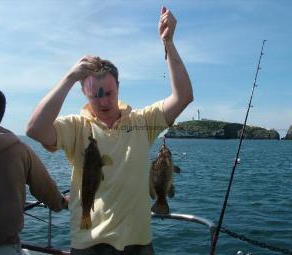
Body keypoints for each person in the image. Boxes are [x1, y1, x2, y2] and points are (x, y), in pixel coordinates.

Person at [26, 6, 193, 255]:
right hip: (89, 243)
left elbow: (183, 97)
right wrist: (70, 77)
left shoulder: (142, 121)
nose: (104, 102)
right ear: (84, 93)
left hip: (138, 241)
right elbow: (35, 129)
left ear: (119, 87)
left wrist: (168, 42)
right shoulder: (75, 126)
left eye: (110, 93)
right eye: (95, 95)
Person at [0, 87, 68, 254]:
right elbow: (46, 190)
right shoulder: (20, 149)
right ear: (2, 113)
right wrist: (63, 202)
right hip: (4, 248)